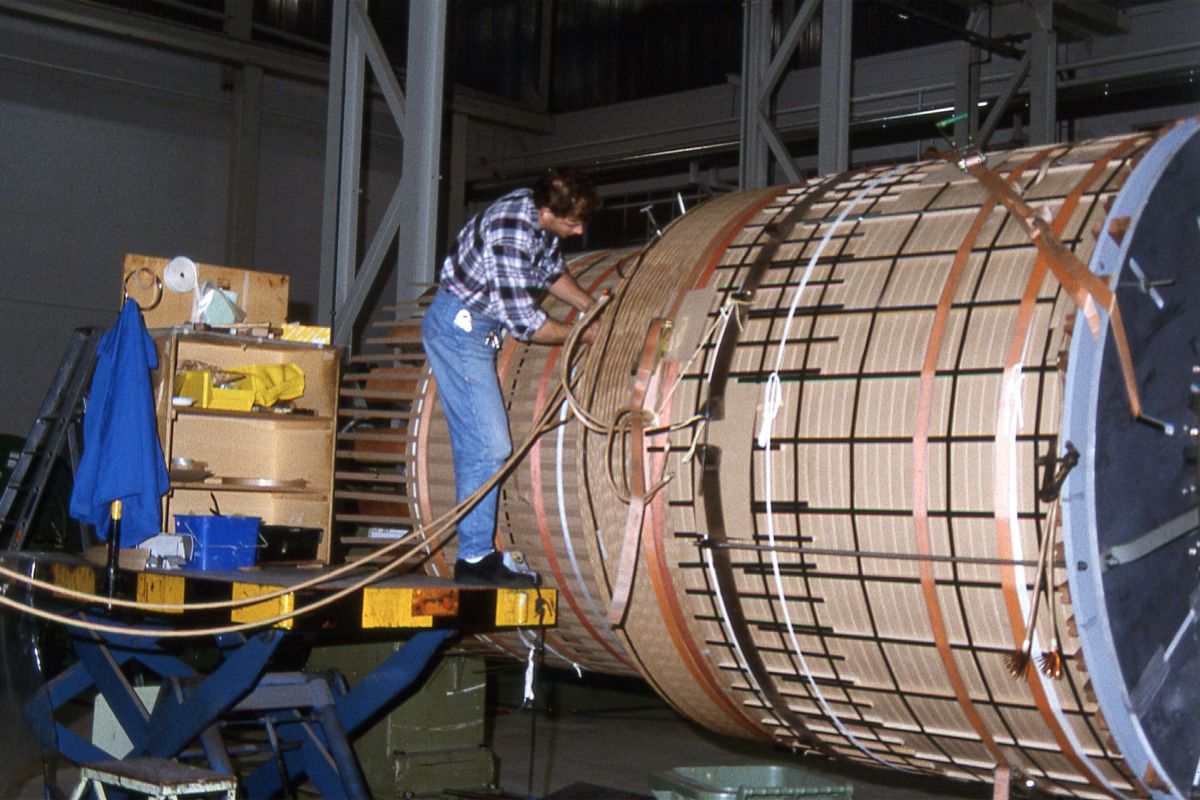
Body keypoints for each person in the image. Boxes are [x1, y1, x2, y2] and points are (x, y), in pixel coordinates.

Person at [421, 167, 601, 587]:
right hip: (459, 329)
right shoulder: (508, 232)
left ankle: (474, 554)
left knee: (480, 446)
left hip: (478, 330)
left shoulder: (536, 214)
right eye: (572, 223)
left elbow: (551, 271)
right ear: (546, 212)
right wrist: (582, 334)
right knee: (490, 445)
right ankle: (474, 559)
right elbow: (526, 325)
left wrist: (590, 306)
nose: (578, 232)